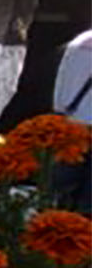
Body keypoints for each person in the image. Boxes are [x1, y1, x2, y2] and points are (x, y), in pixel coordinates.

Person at [50, 28, 92, 210]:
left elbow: (61, 83)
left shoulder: (79, 42)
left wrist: (59, 110)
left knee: (60, 191)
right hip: (82, 121)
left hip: (71, 121)